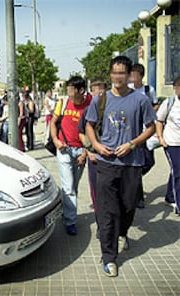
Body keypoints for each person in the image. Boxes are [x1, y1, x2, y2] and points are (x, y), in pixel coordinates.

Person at [85, 56, 156, 277]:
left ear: (129, 75)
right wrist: (96, 145)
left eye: (122, 73)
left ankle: (123, 232)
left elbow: (151, 127)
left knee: (128, 206)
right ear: (110, 74)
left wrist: (133, 144)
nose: (118, 77)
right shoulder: (100, 100)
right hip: (107, 163)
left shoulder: (140, 99)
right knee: (108, 212)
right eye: (114, 72)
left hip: (132, 163)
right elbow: (88, 125)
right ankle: (109, 257)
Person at [50, 76, 91, 236]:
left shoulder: (90, 104)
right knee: (68, 187)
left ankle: (67, 211)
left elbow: (93, 130)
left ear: (81, 90)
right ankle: (70, 221)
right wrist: (55, 140)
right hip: (64, 149)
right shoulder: (63, 103)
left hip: (81, 151)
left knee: (73, 186)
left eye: (71, 90)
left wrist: (86, 152)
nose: (68, 93)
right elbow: (53, 123)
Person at [78, 78, 108, 238]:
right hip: (95, 158)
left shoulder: (113, 108)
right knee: (97, 194)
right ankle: (102, 226)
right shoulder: (88, 110)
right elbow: (81, 132)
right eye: (95, 90)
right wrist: (89, 151)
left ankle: (117, 228)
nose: (98, 93)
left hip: (113, 159)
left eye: (101, 89)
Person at [129, 63, 158, 208]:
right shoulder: (129, 90)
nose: (133, 77)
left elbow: (155, 104)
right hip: (134, 133)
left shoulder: (148, 90)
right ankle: (138, 198)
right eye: (131, 74)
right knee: (137, 163)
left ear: (141, 76)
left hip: (147, 132)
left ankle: (134, 177)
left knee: (149, 161)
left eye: (135, 74)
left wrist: (149, 113)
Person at [156, 76, 180, 215]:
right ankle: (178, 204)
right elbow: (159, 121)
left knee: (176, 170)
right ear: (175, 88)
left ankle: (170, 196)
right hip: (171, 143)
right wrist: (160, 138)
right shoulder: (169, 103)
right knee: (178, 171)